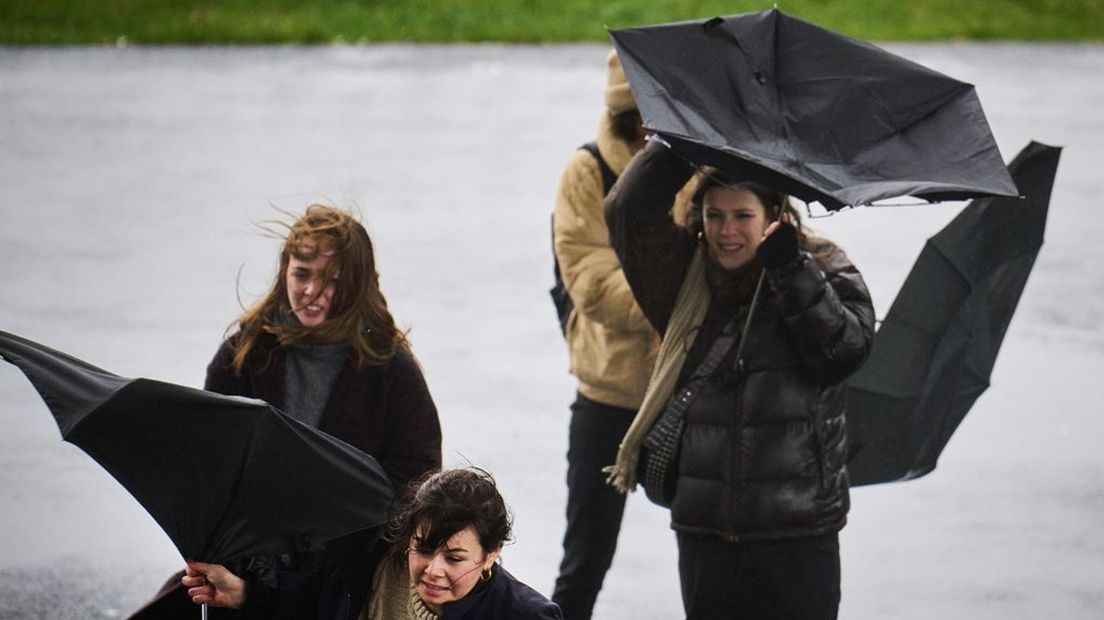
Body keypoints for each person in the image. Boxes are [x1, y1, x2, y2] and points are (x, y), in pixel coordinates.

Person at [603, 139, 876, 619]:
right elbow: (628, 210)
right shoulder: (683, 277)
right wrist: (681, 138)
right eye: (714, 216)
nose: (726, 231)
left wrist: (791, 269)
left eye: (742, 216)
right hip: (706, 529)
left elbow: (843, 353)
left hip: (799, 528)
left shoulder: (825, 265)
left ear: (775, 215)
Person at [129, 204, 442, 620]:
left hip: (344, 577)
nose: (313, 292)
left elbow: (418, 483)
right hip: (246, 561)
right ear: (284, 272)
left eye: (334, 280)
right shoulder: (242, 356)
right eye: (302, 274)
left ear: (358, 285)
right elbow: (206, 466)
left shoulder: (392, 372)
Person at [549, 49, 694, 620]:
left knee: (705, 551)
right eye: (640, 117)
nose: (651, 129)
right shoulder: (587, 170)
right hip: (607, 393)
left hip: (686, 392)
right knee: (584, 558)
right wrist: (682, 302)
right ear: (623, 115)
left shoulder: (702, 168)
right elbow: (588, 281)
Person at [183, 467, 564, 620]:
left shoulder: (525, 617)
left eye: (455, 558)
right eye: (424, 549)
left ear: (491, 556)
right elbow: (305, 601)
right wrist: (243, 594)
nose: (433, 571)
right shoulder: (362, 561)